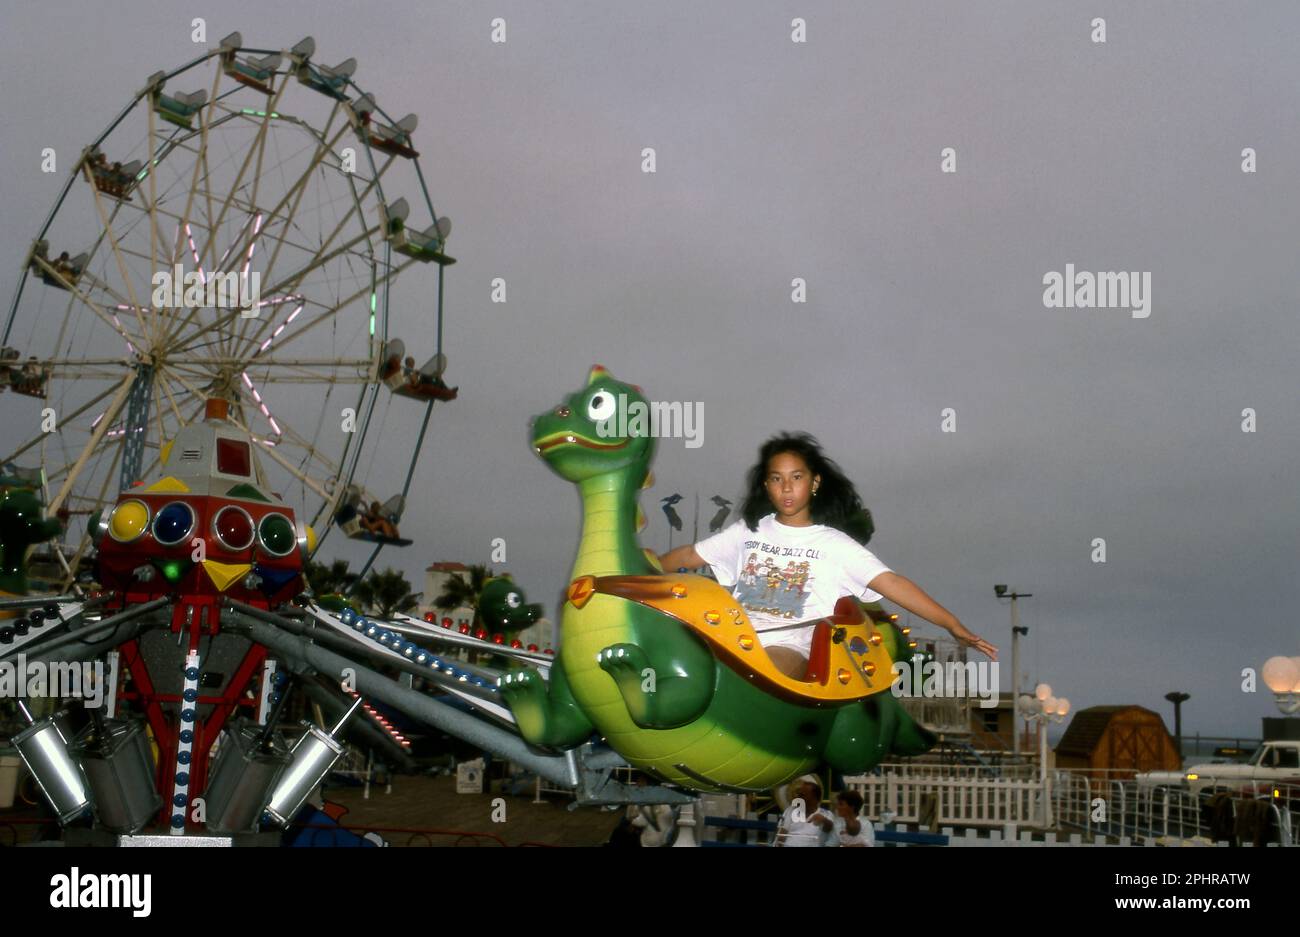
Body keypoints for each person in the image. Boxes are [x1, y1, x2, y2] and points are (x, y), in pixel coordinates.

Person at [659, 432, 997, 679]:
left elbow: (892, 583)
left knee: (758, 673)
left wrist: (952, 624)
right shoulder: (750, 531)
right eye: (776, 479)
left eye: (796, 478)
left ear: (814, 483)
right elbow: (691, 554)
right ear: (766, 486)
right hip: (734, 637)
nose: (787, 488)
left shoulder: (835, 545)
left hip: (789, 649)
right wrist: (638, 570)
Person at [772, 776, 834, 847]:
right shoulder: (791, 810)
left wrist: (824, 820)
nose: (797, 797)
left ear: (815, 798)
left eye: (802, 795)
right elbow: (781, 834)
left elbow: (830, 829)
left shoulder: (826, 814)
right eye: (798, 794)